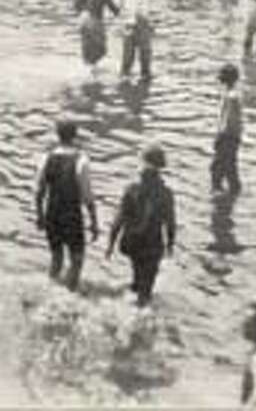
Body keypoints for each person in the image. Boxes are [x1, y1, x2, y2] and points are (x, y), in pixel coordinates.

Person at [106, 143, 177, 308]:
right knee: (147, 288)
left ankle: (133, 301)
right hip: (152, 244)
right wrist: (170, 244)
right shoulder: (166, 193)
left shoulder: (131, 188)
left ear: (143, 162)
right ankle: (139, 316)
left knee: (137, 279)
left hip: (132, 243)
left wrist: (110, 244)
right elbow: (171, 222)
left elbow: (119, 219)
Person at [34, 118, 99, 292]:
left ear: (57, 135)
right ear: (75, 135)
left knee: (56, 257)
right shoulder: (81, 160)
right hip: (71, 215)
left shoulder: (46, 158)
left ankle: (50, 289)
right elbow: (87, 196)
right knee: (77, 259)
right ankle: (70, 294)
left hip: (52, 213)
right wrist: (94, 222)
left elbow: (39, 190)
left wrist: (39, 215)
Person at [78, 0, 117, 68]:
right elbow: (113, 9)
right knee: (100, 51)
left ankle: (87, 73)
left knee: (87, 52)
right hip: (95, 22)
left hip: (83, 19)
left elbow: (78, 4)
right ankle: (93, 76)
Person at [120, 0, 154, 80]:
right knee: (143, 52)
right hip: (138, 21)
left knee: (132, 53)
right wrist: (132, 23)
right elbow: (132, 5)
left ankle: (129, 76)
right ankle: (143, 75)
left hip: (139, 21)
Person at [211, 64, 243, 196]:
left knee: (218, 169)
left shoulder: (230, 97)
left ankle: (219, 195)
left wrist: (219, 137)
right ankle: (231, 196)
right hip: (232, 137)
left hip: (227, 137)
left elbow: (229, 120)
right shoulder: (233, 95)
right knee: (229, 169)